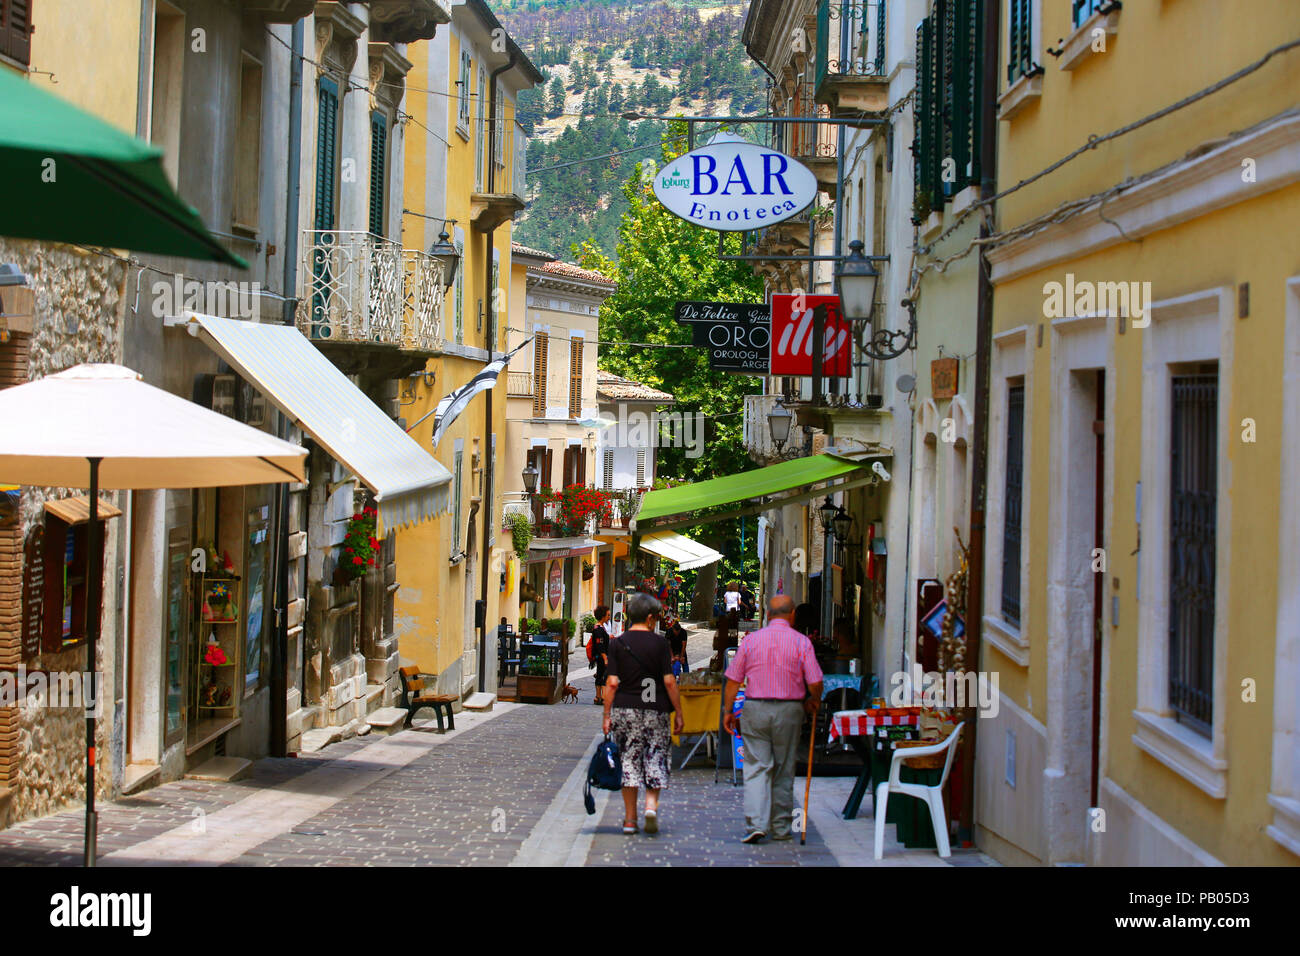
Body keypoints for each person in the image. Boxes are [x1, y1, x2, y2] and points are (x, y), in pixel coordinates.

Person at [722, 594, 823, 844]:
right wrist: (813, 699)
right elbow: (816, 680)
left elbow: (733, 680)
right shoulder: (801, 642)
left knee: (756, 766)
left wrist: (727, 711)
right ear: (792, 616)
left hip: (755, 708)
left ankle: (756, 824)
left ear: (767, 615)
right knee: (784, 767)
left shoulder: (751, 641)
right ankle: (780, 827)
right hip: (789, 711)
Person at [603, 592, 684, 835]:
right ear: (650, 619)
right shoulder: (660, 644)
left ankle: (629, 820)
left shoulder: (617, 643)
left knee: (628, 760)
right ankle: (650, 806)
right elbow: (669, 681)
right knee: (655, 755)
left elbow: (613, 683)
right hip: (655, 710)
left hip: (624, 710)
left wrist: (607, 715)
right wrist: (678, 711)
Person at [590, 605, 611, 705]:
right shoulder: (598, 629)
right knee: (604, 676)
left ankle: (598, 697)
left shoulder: (600, 627)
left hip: (599, 656)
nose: (609, 617)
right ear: (603, 616)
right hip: (602, 656)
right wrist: (605, 657)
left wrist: (609, 637)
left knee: (599, 675)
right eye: (608, 615)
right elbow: (600, 644)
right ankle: (602, 697)